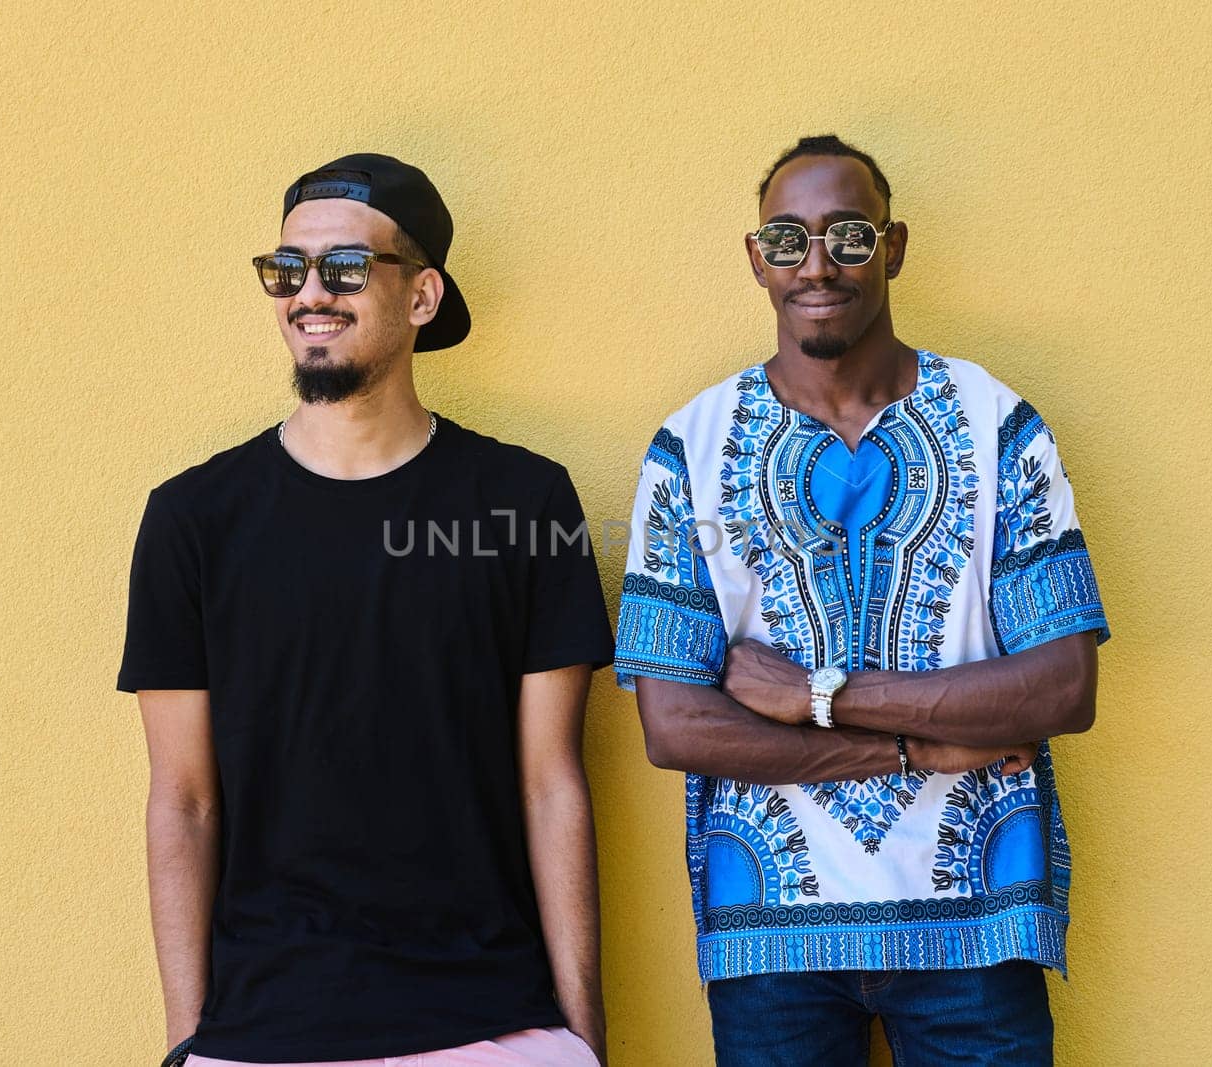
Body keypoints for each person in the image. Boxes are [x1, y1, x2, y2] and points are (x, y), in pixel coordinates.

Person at [613, 134, 1111, 1066]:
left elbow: (1061, 689)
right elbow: (675, 724)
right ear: (756, 258)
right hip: (771, 941)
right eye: (788, 239)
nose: (818, 264)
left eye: (848, 234)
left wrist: (816, 695)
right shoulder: (691, 447)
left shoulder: (997, 421)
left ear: (895, 245)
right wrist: (912, 745)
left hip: (977, 927)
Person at [118, 153, 611, 1067]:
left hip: (494, 1024)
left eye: (346, 267)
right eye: (288, 269)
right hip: (264, 1033)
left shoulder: (525, 502)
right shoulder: (193, 519)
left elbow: (553, 783)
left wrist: (582, 1039)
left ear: (421, 296)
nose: (311, 292)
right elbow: (182, 801)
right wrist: (187, 1042)